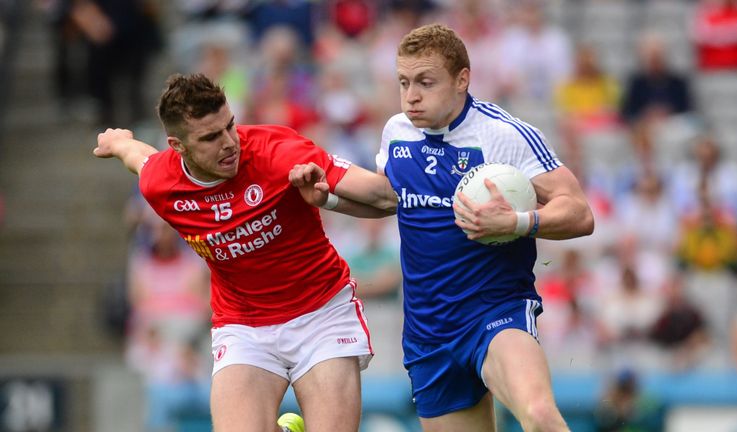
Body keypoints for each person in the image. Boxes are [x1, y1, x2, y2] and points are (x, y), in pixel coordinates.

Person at [289, 24, 594, 432]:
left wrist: (518, 222)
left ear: (461, 80)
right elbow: (391, 200)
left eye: (425, 82)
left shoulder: (503, 135)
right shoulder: (397, 131)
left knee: (539, 416)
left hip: (495, 312)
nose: (411, 96)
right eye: (404, 82)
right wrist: (328, 199)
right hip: (429, 332)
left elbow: (579, 213)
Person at [93, 73, 397, 432]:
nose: (228, 143)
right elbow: (139, 158)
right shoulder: (161, 183)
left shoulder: (279, 152)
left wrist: (325, 199)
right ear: (178, 146)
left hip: (321, 315)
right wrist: (119, 143)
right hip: (244, 327)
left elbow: (386, 198)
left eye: (230, 126)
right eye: (210, 137)